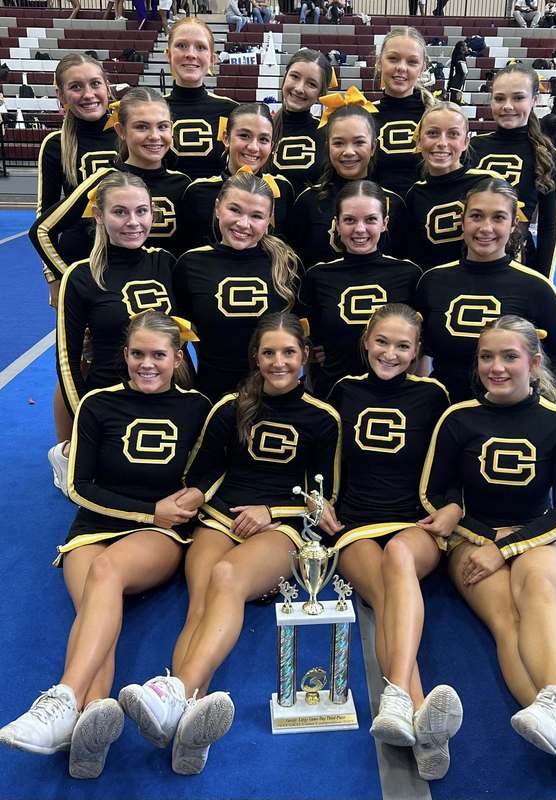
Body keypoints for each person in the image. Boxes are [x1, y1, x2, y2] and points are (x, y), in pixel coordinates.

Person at [118, 312, 341, 775]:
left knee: (226, 577)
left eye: (288, 352)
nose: (278, 362)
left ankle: (174, 692)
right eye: (268, 352)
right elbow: (201, 470)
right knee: (200, 604)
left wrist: (275, 512)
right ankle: (186, 729)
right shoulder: (231, 406)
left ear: (304, 357)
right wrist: (197, 493)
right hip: (221, 518)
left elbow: (326, 496)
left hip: (282, 527)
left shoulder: (324, 418)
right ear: (255, 357)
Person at [419, 314, 556, 790]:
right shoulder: (458, 418)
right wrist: (483, 536)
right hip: (473, 540)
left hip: (537, 534)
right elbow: (433, 494)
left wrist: (511, 544)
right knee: (505, 620)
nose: (497, 367)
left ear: (534, 363)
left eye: (509, 356)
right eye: (487, 357)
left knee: (538, 592)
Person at [0, 310, 211, 779]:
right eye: (138, 354)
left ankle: (63, 699)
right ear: (125, 355)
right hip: (94, 526)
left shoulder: (198, 407)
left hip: (156, 535)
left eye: (159, 355)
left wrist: (192, 494)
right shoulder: (97, 404)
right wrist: (145, 508)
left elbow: (213, 469)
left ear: (177, 358)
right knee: (98, 604)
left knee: (106, 576)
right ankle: (92, 725)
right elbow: (79, 486)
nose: (147, 364)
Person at [327, 303, 462, 781]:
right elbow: (316, 449)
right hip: (356, 525)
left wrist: (454, 505)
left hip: (416, 523)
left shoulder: (434, 394)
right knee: (387, 596)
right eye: (381, 341)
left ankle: (400, 701)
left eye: (403, 345)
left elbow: (456, 459)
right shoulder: (341, 389)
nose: (390, 352)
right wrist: (317, 502)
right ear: (365, 342)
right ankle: (420, 714)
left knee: (399, 563)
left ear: (417, 351)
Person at [49, 171, 182, 495]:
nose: (133, 222)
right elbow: (67, 359)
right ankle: (65, 453)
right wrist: (87, 421)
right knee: (114, 494)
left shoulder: (165, 263)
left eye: (141, 211)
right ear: (99, 215)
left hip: (162, 393)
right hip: (109, 398)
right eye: (119, 212)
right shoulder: (80, 275)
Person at [415, 178, 556, 404]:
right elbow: (419, 349)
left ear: (513, 223)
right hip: (442, 414)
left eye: (498, 217)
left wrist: (538, 405)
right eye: (476, 216)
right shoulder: (432, 281)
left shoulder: (536, 287)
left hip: (505, 419)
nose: (485, 228)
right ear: (463, 220)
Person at [30, 88, 191, 281]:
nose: (155, 136)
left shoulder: (183, 184)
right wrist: (69, 282)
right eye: (141, 127)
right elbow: (42, 231)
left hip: (166, 299)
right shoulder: (103, 181)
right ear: (120, 131)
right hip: (110, 301)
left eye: (162, 126)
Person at [174, 170, 301, 402]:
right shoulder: (190, 264)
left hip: (274, 395)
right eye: (234, 210)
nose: (243, 224)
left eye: (256, 216)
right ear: (217, 207)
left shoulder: (287, 264)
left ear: (269, 218)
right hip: (209, 394)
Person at [300, 180, 422, 398]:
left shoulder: (409, 274)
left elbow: (420, 348)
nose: (359, 229)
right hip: (333, 396)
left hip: (394, 397)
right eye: (349, 220)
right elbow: (311, 347)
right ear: (337, 224)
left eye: (370, 220)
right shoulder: (317, 276)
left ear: (385, 223)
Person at [289, 97, 410, 268]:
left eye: (359, 142)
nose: (348, 152)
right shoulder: (308, 201)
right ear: (327, 147)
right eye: (338, 143)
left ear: (373, 147)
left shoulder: (394, 203)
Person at [38, 54, 118, 307]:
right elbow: (44, 218)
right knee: (82, 346)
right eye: (76, 87)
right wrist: (55, 278)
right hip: (79, 257)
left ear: (107, 87)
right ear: (61, 95)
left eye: (95, 84)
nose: (88, 94)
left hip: (129, 256)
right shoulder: (55, 144)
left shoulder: (129, 133)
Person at [469, 63, 556, 281]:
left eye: (518, 98)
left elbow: (549, 226)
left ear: (534, 100)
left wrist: (544, 282)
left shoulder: (548, 155)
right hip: (471, 256)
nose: (507, 106)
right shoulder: (472, 147)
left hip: (520, 261)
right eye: (500, 98)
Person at [179, 103, 294, 249]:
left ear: (271, 146)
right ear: (226, 138)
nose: (253, 147)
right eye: (244, 136)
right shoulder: (198, 191)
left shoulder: (283, 189)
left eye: (263, 139)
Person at [405, 102, 501, 270]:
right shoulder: (415, 194)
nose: (442, 142)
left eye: (453, 134)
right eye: (433, 133)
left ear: (465, 142)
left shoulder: (486, 183)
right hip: (435, 288)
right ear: (419, 141)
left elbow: (510, 246)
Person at [164, 17, 239, 180]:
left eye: (200, 47)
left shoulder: (230, 110)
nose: (190, 54)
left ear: (212, 59)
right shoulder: (152, 109)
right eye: (181, 45)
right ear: (168, 54)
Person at [372, 27, 435, 199]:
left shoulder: (437, 116)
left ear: (423, 68)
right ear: (379, 62)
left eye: (412, 62)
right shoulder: (363, 116)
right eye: (393, 59)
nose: (401, 68)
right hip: (374, 221)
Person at [270, 49, 332, 194]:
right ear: (285, 76)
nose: (299, 88)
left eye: (311, 84)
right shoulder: (262, 129)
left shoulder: (328, 134)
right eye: (295, 76)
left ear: (321, 93)